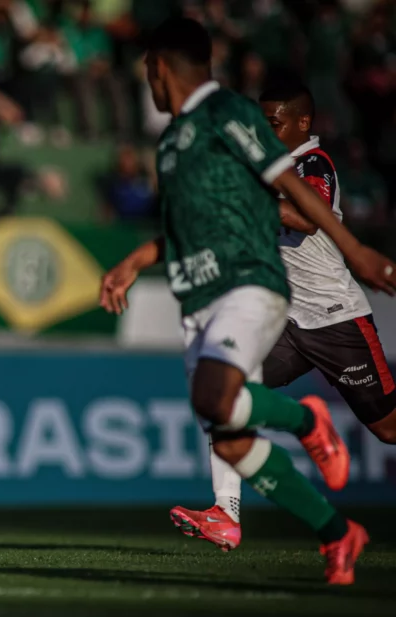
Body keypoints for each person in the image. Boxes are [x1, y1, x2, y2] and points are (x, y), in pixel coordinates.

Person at [99, 18, 396, 585]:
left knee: (386, 427)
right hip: (246, 308)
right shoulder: (173, 143)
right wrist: (137, 260)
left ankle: (302, 420)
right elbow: (196, 223)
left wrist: (356, 251)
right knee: (226, 425)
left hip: (317, 310)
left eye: (147, 73)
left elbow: (296, 200)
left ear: (160, 70)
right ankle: (296, 526)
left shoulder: (246, 126)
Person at [169, 81, 396, 553]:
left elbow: (301, 217)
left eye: (272, 123)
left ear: (302, 124)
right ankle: (225, 514)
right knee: (221, 394)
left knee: (389, 428)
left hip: (335, 318)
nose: (263, 130)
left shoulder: (314, 164)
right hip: (284, 323)